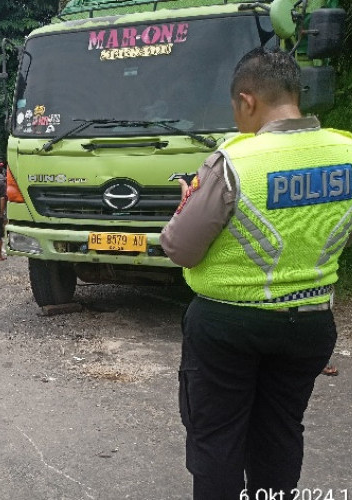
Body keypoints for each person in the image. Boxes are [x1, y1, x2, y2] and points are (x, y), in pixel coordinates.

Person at [159, 47, 352, 499]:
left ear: (247, 101)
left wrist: (186, 206)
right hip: (310, 324)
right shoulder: (346, 152)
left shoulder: (234, 162)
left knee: (218, 440)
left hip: (229, 327)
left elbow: (180, 248)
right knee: (281, 432)